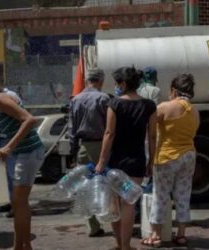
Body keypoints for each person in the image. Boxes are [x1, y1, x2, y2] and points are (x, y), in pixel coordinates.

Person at [95, 66, 157, 250]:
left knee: (114, 203)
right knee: (128, 203)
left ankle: (118, 243)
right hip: (137, 158)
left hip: (116, 160)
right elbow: (152, 136)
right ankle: (126, 245)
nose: (116, 86)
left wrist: (101, 161)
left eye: (117, 83)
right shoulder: (149, 105)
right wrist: (151, 161)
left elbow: (109, 133)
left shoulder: (114, 104)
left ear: (123, 83)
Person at [141, 73, 200, 248]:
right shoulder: (194, 111)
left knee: (160, 196)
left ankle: (156, 235)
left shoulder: (164, 107)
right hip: (189, 155)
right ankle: (181, 235)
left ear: (173, 90)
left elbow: (150, 133)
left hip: (166, 157)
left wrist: (149, 159)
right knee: (183, 195)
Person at [0, 91, 44, 250]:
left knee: (18, 202)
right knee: (20, 203)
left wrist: (9, 146)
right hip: (24, 153)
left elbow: (30, 120)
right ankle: (23, 246)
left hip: (28, 152)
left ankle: (21, 247)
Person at [67, 68, 111, 237]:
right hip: (103, 147)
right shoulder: (104, 98)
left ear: (87, 81)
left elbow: (71, 129)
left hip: (83, 147)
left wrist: (73, 151)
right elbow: (110, 128)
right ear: (100, 81)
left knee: (85, 188)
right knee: (107, 184)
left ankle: (93, 226)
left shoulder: (75, 100)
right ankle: (111, 219)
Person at [0, 76, 22, 218]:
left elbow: (20, 116)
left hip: (5, 139)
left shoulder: (9, 95)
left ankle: (17, 205)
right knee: (0, 176)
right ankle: (8, 201)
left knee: (11, 174)